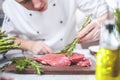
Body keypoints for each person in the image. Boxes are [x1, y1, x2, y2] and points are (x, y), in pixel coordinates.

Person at [1, 0, 108, 54]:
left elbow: (106, 11)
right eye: (26, 1)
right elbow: (6, 38)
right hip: (32, 60)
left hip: (71, 56)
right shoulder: (7, 5)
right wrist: (29, 45)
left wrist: (102, 23)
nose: (37, 4)